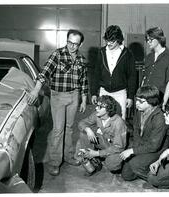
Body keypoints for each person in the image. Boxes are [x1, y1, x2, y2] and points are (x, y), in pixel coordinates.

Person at [27, 29, 88, 176]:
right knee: (58, 130)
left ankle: (68, 156)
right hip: (58, 96)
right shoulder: (57, 54)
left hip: (74, 95)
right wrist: (35, 90)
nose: (72, 46)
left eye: (75, 44)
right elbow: (44, 73)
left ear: (80, 44)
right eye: (69, 42)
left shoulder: (81, 59)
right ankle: (55, 162)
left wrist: (84, 99)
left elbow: (84, 81)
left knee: (69, 128)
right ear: (66, 40)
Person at [120, 86, 169, 181]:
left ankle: (158, 178)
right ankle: (143, 167)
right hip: (144, 145)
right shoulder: (139, 111)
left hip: (157, 150)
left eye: (141, 101)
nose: (137, 104)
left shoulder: (160, 117)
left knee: (135, 164)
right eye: (136, 100)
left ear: (151, 102)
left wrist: (133, 151)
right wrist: (134, 149)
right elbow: (136, 133)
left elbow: (154, 146)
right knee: (126, 175)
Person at [91, 25, 137, 119]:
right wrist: (94, 93)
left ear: (119, 40)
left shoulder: (127, 53)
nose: (109, 43)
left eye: (112, 41)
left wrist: (130, 96)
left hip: (120, 93)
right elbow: (96, 74)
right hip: (104, 92)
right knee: (103, 121)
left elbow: (132, 76)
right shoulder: (101, 52)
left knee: (120, 121)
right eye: (107, 40)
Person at [76, 95, 127, 175]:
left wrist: (97, 153)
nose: (96, 108)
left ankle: (123, 163)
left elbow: (118, 147)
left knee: (111, 164)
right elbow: (82, 123)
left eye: (100, 107)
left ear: (108, 110)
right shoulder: (97, 115)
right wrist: (88, 130)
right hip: (104, 142)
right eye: (97, 106)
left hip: (114, 148)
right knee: (84, 134)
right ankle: (93, 160)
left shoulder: (118, 123)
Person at [142, 27, 169, 110]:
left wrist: (164, 102)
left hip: (159, 99)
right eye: (147, 40)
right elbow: (144, 78)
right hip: (145, 98)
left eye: (151, 39)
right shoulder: (149, 57)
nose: (148, 42)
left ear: (159, 39)